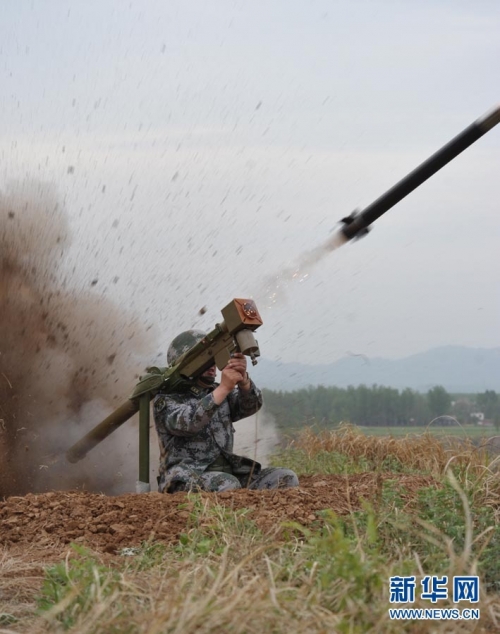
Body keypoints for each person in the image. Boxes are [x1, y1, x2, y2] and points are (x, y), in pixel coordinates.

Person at [153, 329, 299, 493]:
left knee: (285, 477)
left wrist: (244, 382)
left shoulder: (218, 392)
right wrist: (224, 387)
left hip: (227, 475)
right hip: (185, 479)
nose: (212, 365)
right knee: (227, 485)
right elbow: (189, 422)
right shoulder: (167, 400)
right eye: (205, 360)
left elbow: (251, 406)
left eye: (213, 359)